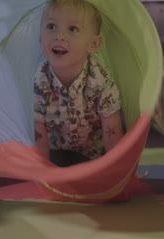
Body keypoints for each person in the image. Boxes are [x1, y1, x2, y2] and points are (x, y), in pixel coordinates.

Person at [34, 0, 124, 167]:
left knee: (95, 183)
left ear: (93, 44)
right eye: (51, 26)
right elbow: (39, 132)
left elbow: (112, 129)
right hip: (56, 151)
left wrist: (115, 170)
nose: (59, 36)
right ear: (40, 38)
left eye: (72, 29)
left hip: (94, 153)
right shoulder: (40, 80)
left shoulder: (100, 79)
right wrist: (43, 172)